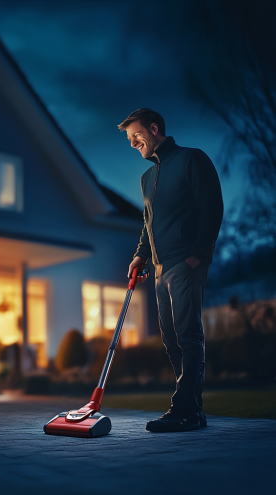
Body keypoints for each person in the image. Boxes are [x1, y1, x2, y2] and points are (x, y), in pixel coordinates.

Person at [118, 108, 223, 432]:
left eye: (136, 135)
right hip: (161, 270)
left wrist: (197, 255)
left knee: (188, 335)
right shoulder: (147, 178)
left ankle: (184, 409)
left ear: (154, 128)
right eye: (129, 139)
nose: (133, 143)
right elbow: (148, 223)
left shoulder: (192, 159)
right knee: (172, 341)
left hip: (185, 262)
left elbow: (212, 208)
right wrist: (140, 255)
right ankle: (193, 410)